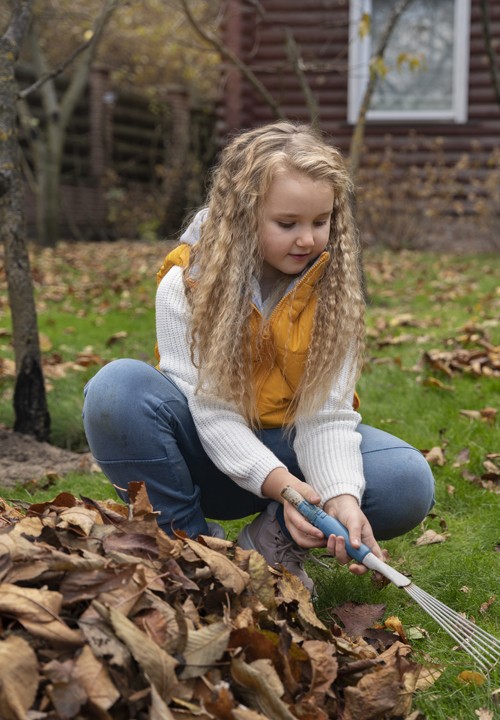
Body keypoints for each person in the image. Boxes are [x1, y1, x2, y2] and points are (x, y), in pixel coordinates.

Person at [82, 121, 435, 592]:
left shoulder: (335, 295)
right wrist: (282, 486)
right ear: (243, 215)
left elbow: (325, 417)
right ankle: (189, 548)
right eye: (287, 224)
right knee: (116, 389)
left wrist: (340, 497)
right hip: (200, 455)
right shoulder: (187, 285)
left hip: (286, 448)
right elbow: (211, 411)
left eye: (320, 221)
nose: (307, 240)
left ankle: (267, 549)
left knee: (404, 480)